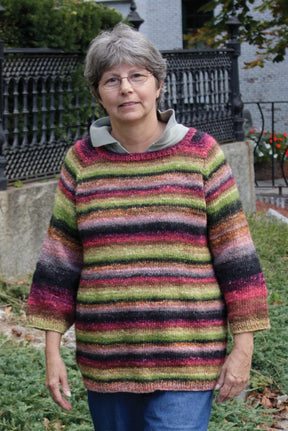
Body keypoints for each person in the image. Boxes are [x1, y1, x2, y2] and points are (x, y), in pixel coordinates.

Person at [27, 23, 270, 431]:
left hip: (189, 355)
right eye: (112, 80)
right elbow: (59, 263)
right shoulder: (81, 161)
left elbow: (237, 257)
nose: (126, 88)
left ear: (158, 85)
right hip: (107, 359)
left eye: (137, 76)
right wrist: (52, 352)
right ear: (97, 92)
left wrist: (242, 347)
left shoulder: (201, 153)